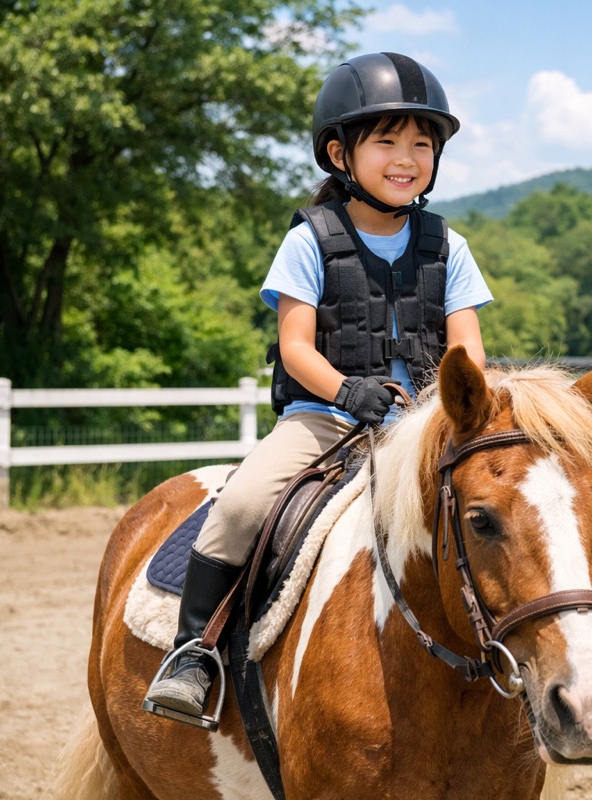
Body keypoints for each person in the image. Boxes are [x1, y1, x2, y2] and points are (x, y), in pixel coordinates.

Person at [143, 52, 492, 724]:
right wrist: (348, 391)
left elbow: (466, 345)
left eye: (422, 143)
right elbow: (295, 347)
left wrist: (465, 402)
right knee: (243, 505)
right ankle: (192, 654)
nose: (407, 157)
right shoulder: (310, 239)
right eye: (387, 141)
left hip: (424, 423)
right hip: (325, 419)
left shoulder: (449, 246)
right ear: (340, 151)